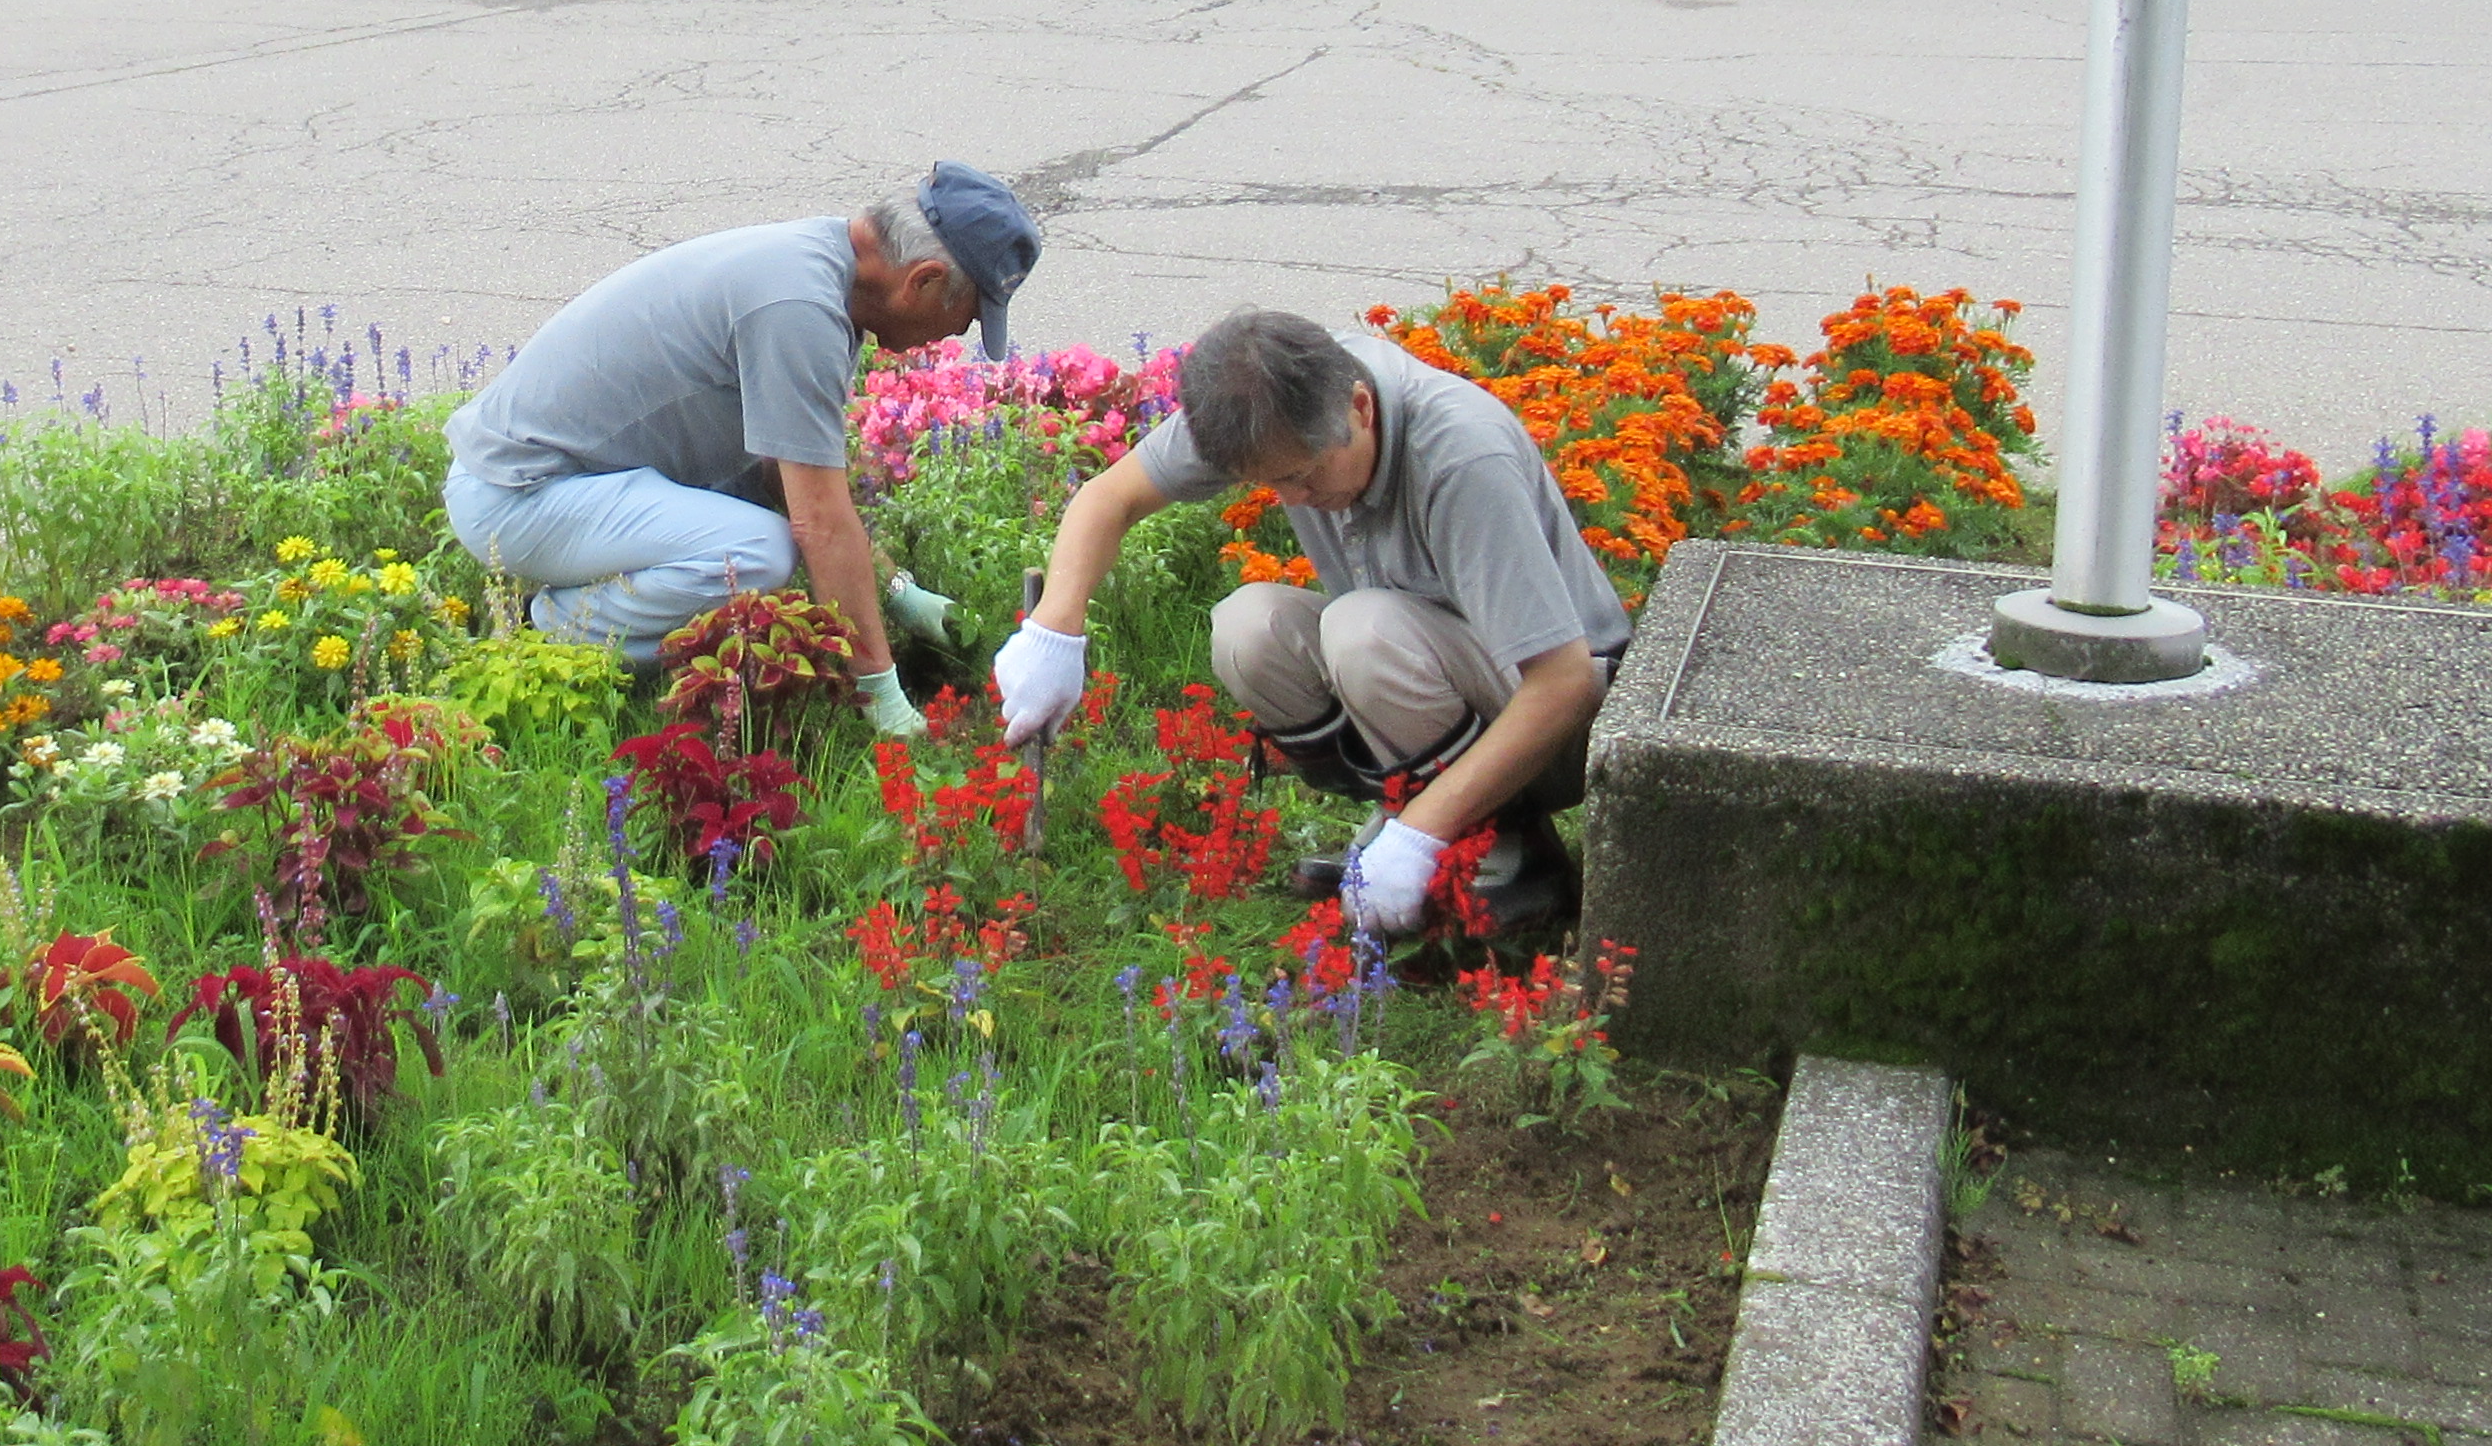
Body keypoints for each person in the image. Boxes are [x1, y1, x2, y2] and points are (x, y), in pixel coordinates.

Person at [993, 306, 1627, 954]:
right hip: (1449, 672)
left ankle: (1505, 849)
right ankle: (1417, 812)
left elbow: (1564, 683)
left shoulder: (1459, 455)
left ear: (1361, 409)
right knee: (1248, 630)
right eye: (1267, 482)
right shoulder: (1261, 406)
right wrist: (1055, 629)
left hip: (1567, 725)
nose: (1291, 499)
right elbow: (1109, 497)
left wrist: (1421, 833)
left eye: (1301, 475)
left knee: (1362, 631)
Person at [446, 167, 1042, 735]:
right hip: (517, 495)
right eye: (966, 316)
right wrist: (880, 691)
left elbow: (780, 476)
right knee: (755, 555)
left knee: (758, 527)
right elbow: (820, 521)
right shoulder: (799, 309)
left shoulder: (820, 262)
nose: (957, 336)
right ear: (925, 280)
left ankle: (575, 608)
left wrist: (897, 592)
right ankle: (551, 630)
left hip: (544, 481)